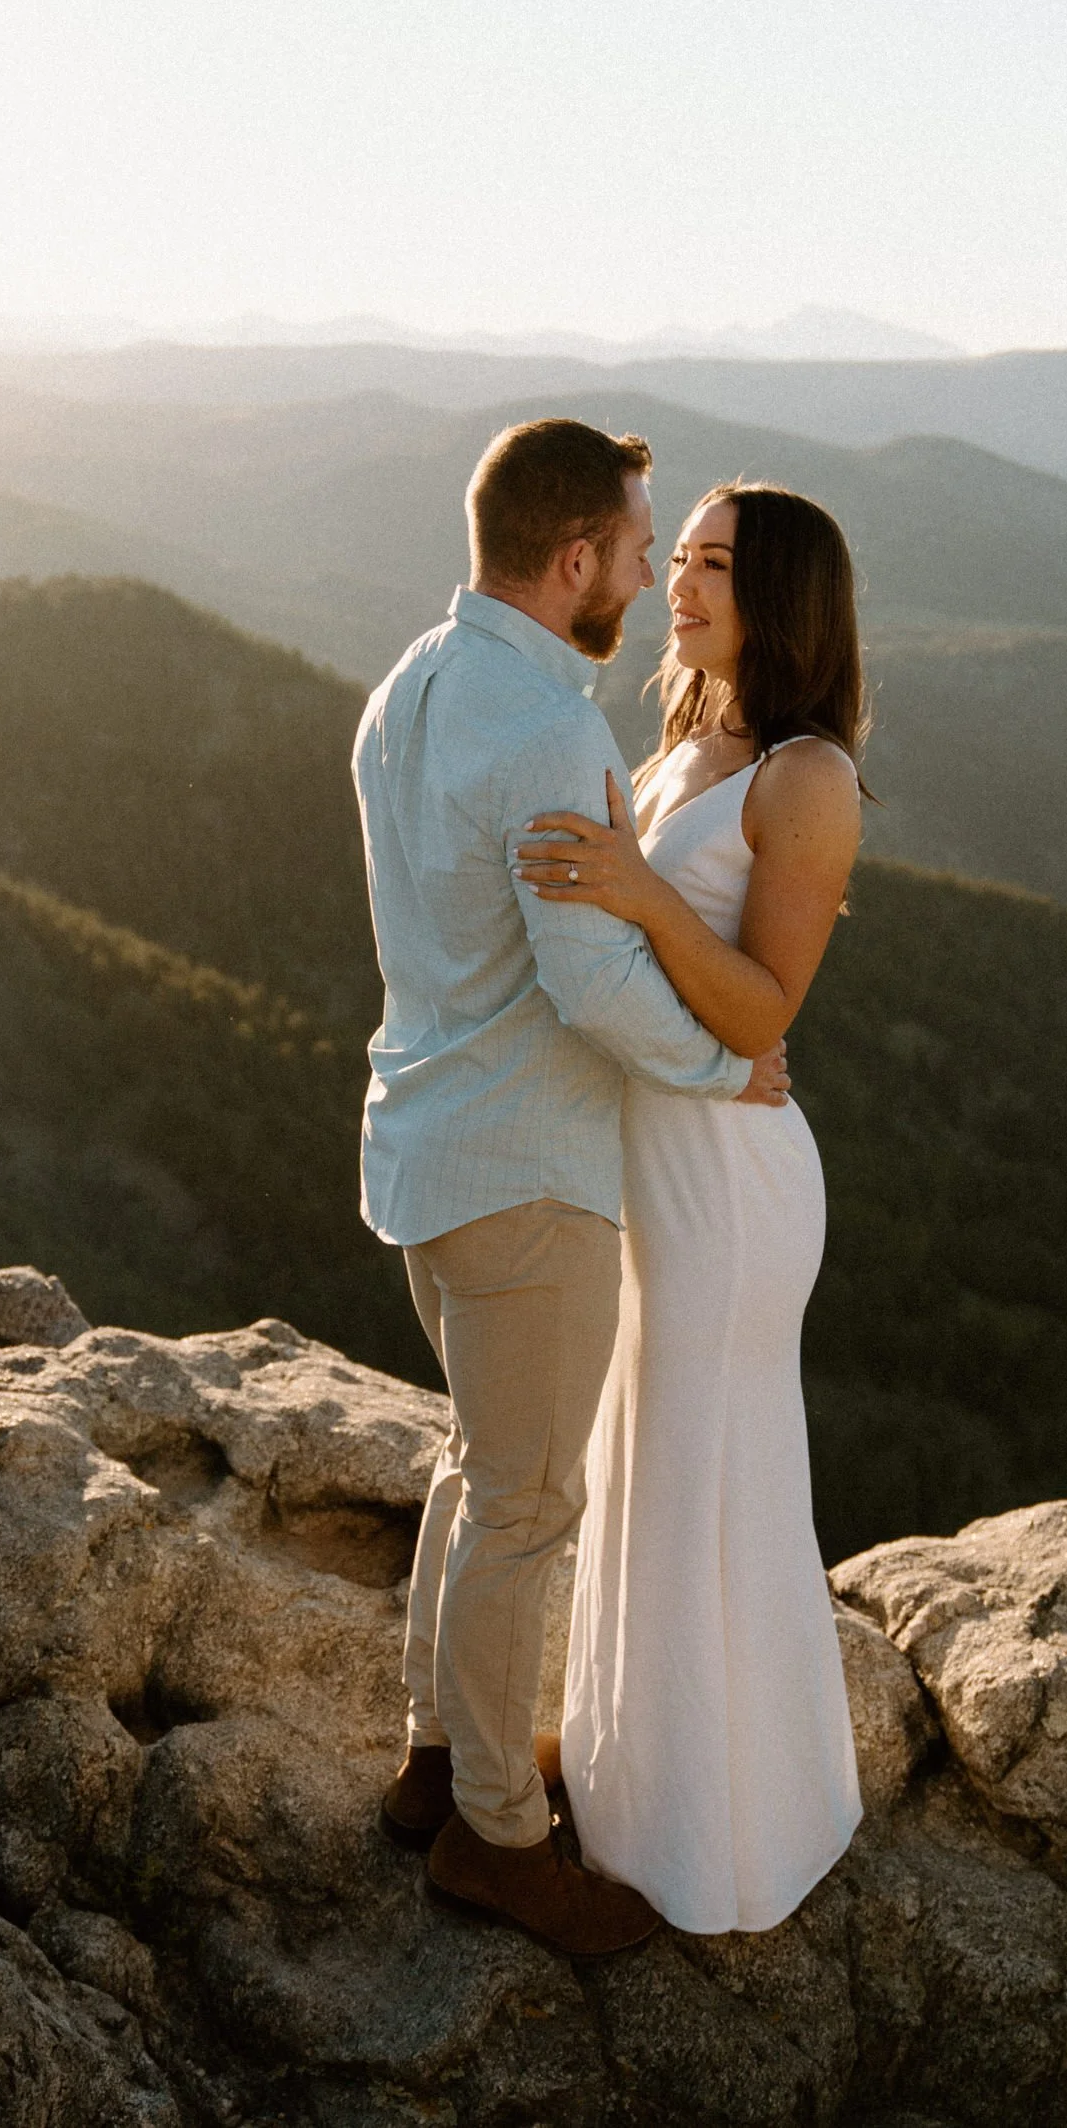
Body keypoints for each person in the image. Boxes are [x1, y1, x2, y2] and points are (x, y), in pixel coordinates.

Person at [351, 418, 791, 1959]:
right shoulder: (546, 729)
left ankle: (431, 1761)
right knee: (526, 1505)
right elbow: (590, 983)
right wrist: (723, 1065)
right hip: (528, 1168)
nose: (650, 577)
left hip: (424, 1142)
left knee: (480, 1473)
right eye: (641, 547)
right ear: (577, 556)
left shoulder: (408, 685)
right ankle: (494, 1836)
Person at [513, 479, 868, 1933]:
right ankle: (635, 1776)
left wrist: (640, 896)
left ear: (781, 596)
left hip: (728, 1182)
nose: (683, 583)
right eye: (687, 557)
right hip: (646, 1162)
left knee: (705, 1472)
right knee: (642, 1466)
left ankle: (729, 1837)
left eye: (717, 564)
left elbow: (764, 1011)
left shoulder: (806, 776)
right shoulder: (688, 739)